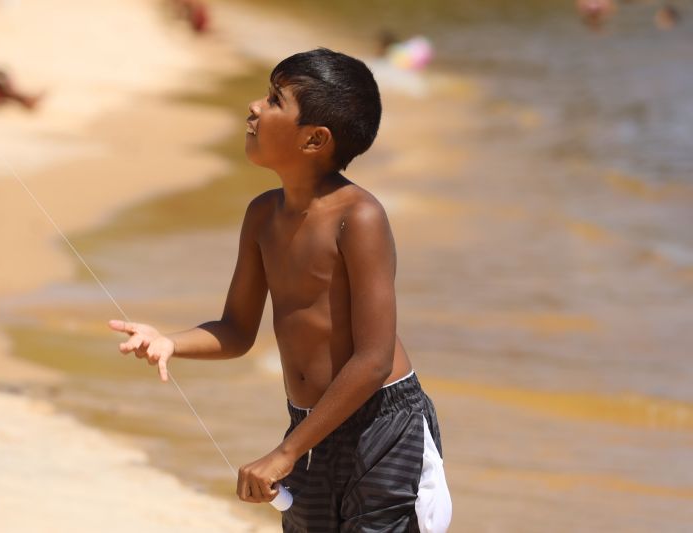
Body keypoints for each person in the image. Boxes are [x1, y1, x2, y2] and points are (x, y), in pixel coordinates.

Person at [109, 48, 452, 532]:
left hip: (383, 424)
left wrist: (286, 452)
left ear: (315, 138)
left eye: (274, 99)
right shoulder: (262, 216)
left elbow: (373, 360)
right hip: (311, 427)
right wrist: (170, 342)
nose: (254, 106)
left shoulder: (360, 216)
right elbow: (236, 329)